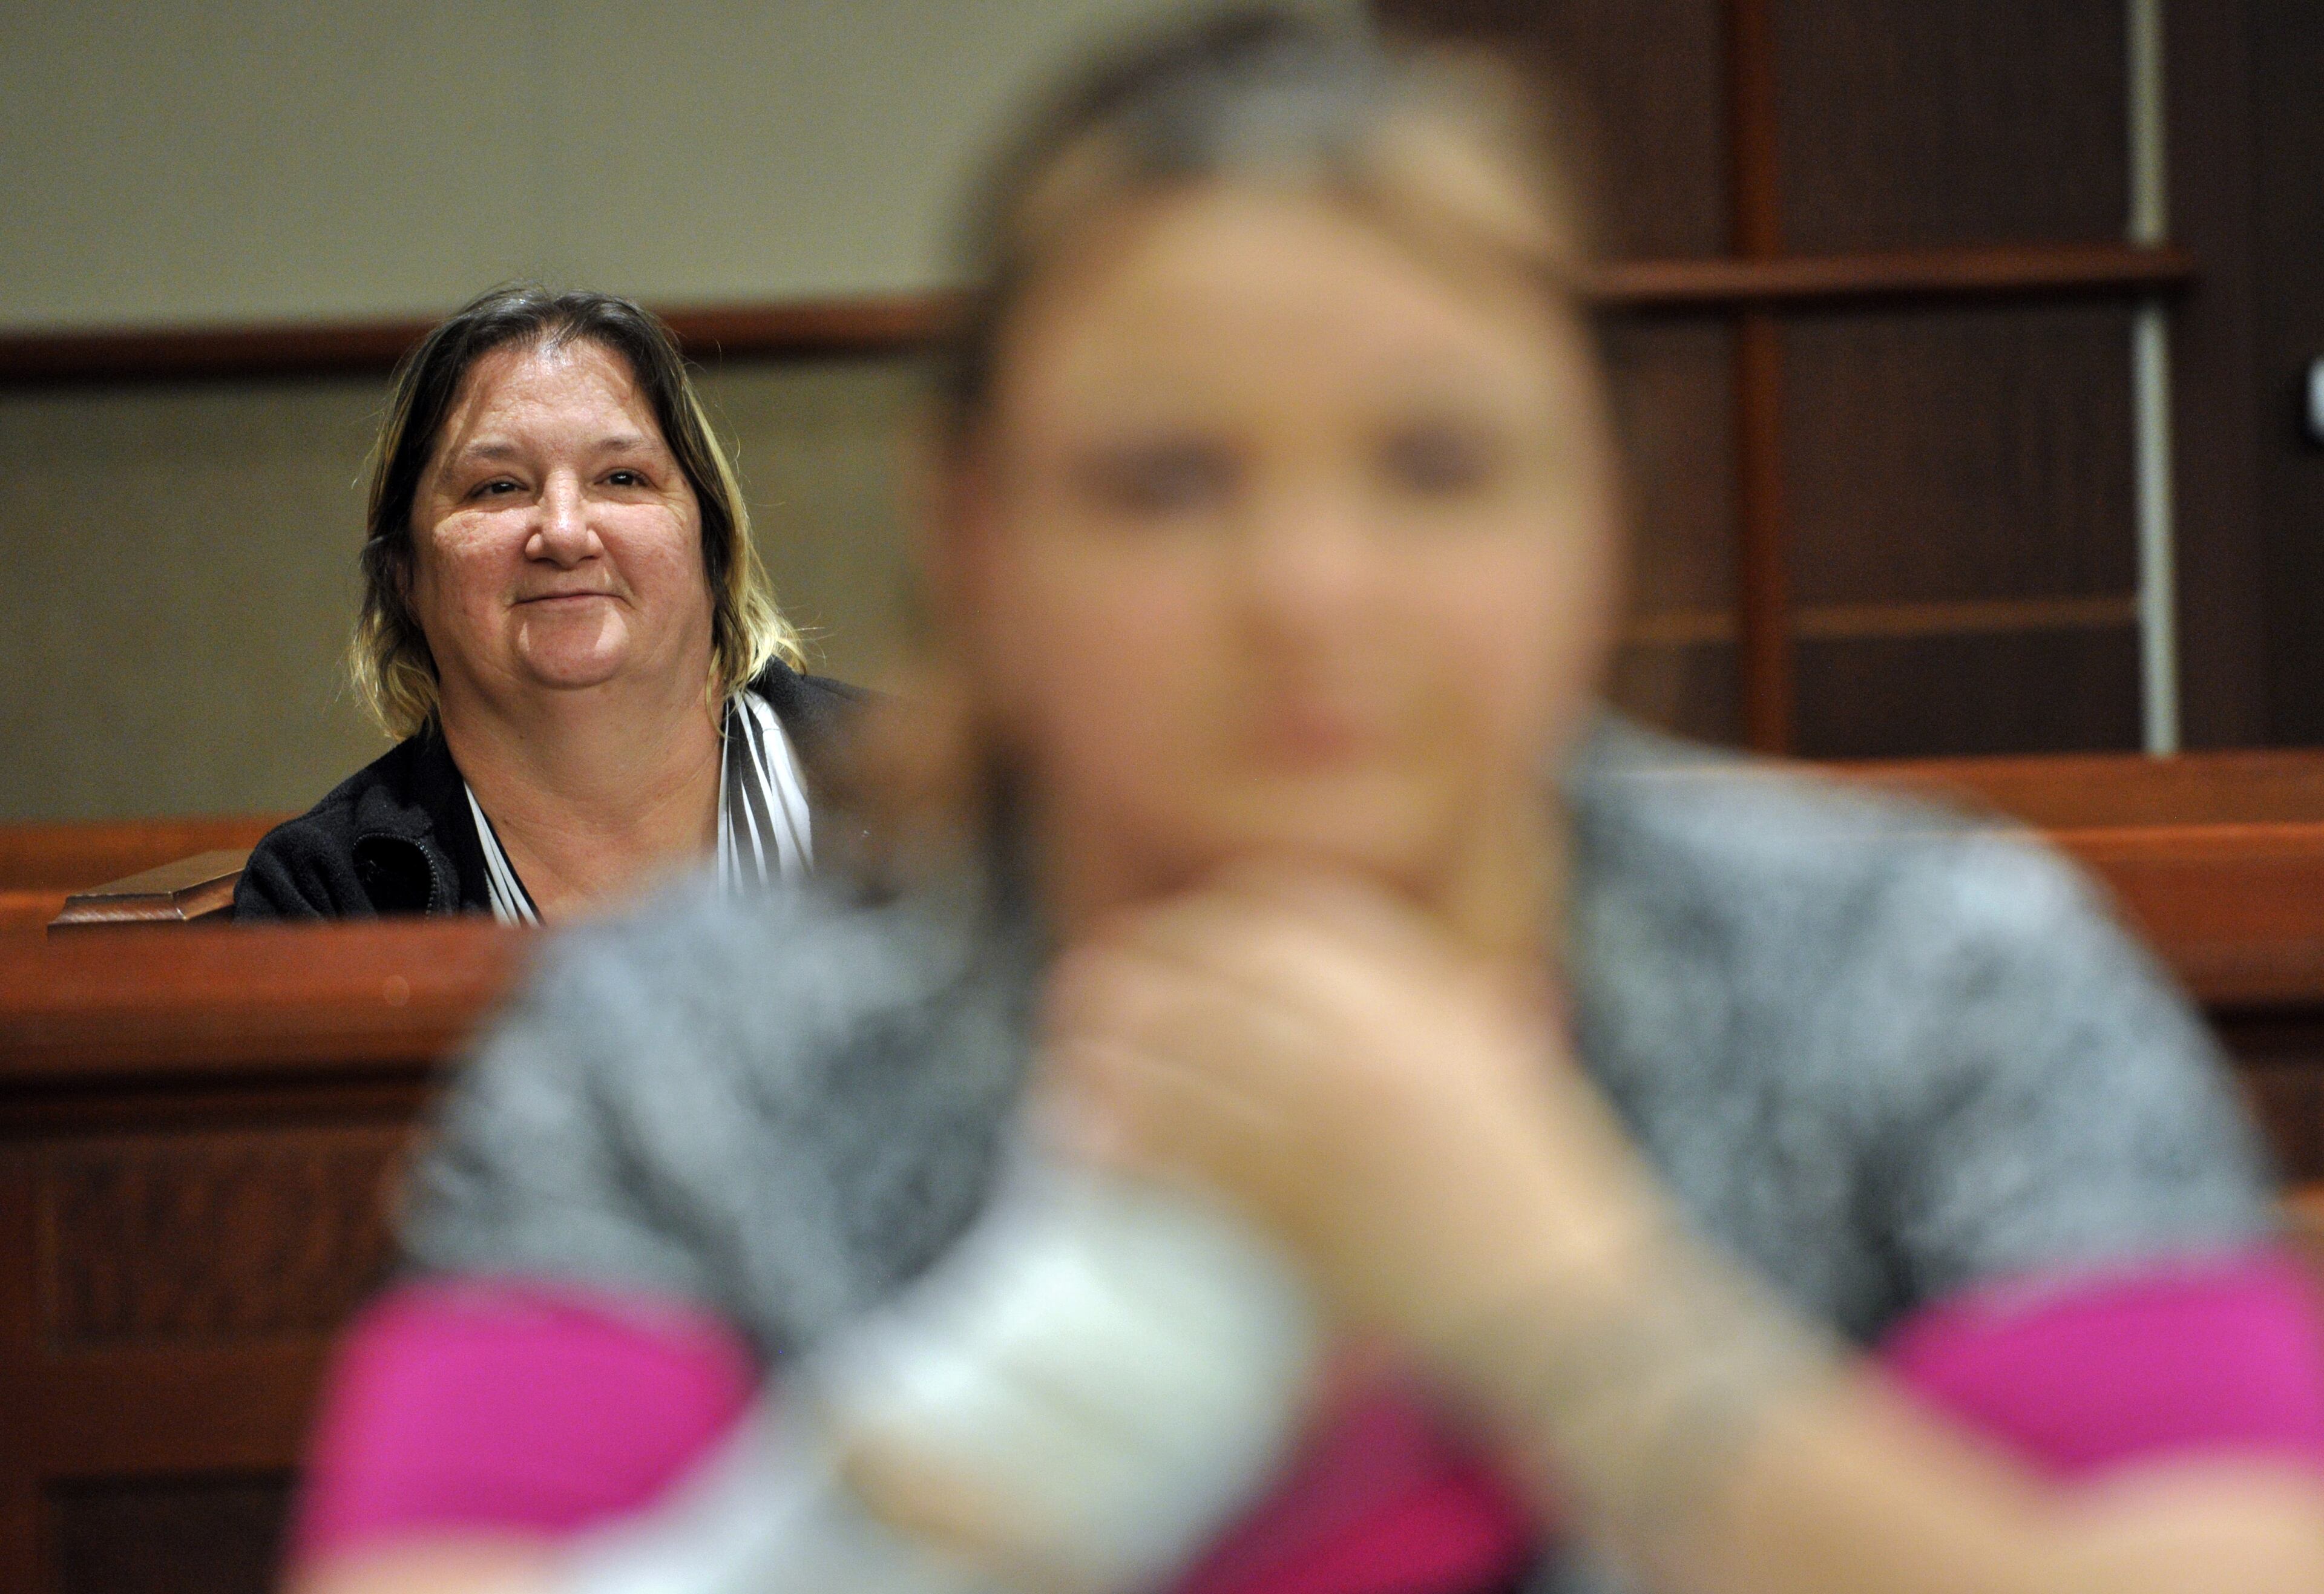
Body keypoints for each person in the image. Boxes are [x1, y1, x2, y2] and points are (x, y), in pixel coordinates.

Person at [284, 12, 2324, 1594]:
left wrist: (1553, 1299)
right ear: (975, 533)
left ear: (1601, 508)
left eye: (1436, 464)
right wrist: (1063, 1382)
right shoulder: (678, 1059)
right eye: (1165, 479)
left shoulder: (1924, 976)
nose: (1309, 594)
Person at [235, 287, 858, 923]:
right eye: (498, 487)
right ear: (404, 575)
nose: (563, 535)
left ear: (714, 547)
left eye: (622, 478)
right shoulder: (325, 897)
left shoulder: (942, 811)